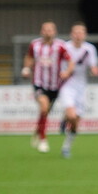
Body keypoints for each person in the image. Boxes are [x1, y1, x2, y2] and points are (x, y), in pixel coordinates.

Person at [21, 22, 73, 153]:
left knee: (45, 112)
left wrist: (67, 72)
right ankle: (43, 140)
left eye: (50, 30)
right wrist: (26, 68)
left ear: (54, 32)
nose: (48, 32)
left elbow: (70, 61)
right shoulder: (35, 45)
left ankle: (38, 130)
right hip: (39, 83)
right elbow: (29, 57)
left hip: (55, 85)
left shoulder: (60, 46)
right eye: (45, 30)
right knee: (44, 107)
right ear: (41, 31)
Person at [58, 23, 98, 158]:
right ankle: (66, 118)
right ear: (71, 34)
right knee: (72, 115)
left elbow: (93, 65)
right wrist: (62, 73)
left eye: (81, 33)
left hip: (81, 87)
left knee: (76, 121)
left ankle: (66, 147)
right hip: (66, 85)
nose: (78, 35)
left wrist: (94, 70)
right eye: (76, 32)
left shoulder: (90, 49)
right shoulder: (64, 47)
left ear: (85, 35)